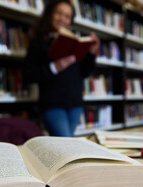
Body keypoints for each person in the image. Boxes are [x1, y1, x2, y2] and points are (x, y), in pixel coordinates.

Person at [24, 0, 100, 137]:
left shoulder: (74, 43)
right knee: (66, 142)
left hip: (75, 104)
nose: (62, 19)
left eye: (67, 16)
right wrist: (54, 67)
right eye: (59, 13)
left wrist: (91, 54)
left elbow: (84, 73)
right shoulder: (38, 43)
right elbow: (29, 75)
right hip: (52, 105)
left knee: (66, 143)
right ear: (50, 14)